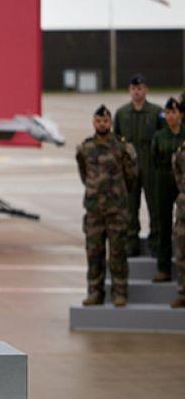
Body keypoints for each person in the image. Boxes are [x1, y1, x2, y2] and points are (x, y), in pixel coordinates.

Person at [76, 105, 137, 307]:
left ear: (110, 122)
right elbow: (84, 174)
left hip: (116, 210)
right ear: (94, 122)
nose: (102, 124)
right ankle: (95, 292)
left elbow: (131, 176)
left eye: (105, 121)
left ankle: (120, 292)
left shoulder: (122, 148)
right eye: (98, 121)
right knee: (94, 253)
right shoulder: (85, 148)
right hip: (94, 211)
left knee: (118, 252)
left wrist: (117, 194)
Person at [114, 74, 163, 255]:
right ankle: (131, 243)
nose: (137, 92)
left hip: (151, 165)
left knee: (155, 206)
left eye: (140, 88)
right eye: (134, 88)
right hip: (130, 167)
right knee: (130, 206)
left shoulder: (156, 112)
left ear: (146, 90)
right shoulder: (122, 113)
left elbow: (163, 137)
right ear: (129, 90)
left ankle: (156, 243)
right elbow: (116, 141)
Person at [151, 98, 185, 282]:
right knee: (163, 223)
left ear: (180, 114)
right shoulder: (159, 136)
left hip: (183, 182)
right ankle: (163, 268)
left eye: (174, 112)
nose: (171, 116)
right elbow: (154, 158)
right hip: (163, 179)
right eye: (168, 113)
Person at [172, 140, 185, 308]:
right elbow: (177, 177)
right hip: (183, 212)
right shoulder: (181, 152)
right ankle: (183, 293)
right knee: (181, 255)